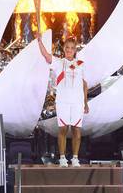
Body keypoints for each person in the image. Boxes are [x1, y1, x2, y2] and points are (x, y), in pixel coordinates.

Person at [37, 34, 89, 167]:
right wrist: (39, 41)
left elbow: (84, 85)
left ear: (75, 50)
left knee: (77, 130)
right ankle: (62, 158)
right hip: (63, 102)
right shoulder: (59, 63)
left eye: (72, 48)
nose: (69, 50)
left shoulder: (81, 65)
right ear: (64, 49)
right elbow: (46, 55)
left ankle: (75, 158)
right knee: (63, 129)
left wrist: (85, 102)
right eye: (67, 47)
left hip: (77, 102)